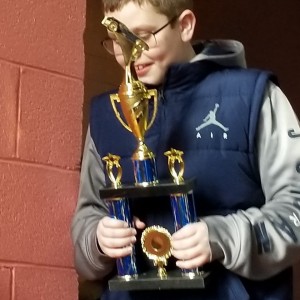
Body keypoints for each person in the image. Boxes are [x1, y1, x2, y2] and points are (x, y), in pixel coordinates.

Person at [71, 0, 300, 299]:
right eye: (117, 41)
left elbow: (294, 208)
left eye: (142, 35)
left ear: (185, 25)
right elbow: (88, 218)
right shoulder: (108, 115)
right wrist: (98, 241)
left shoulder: (256, 98)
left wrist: (224, 237)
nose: (129, 53)